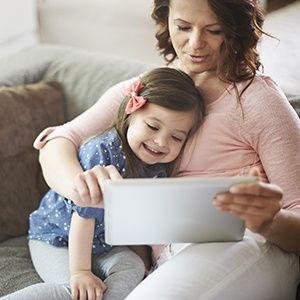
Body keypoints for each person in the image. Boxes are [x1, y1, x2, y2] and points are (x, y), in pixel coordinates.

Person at [3, 0, 300, 299]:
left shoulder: (258, 100)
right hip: (167, 255)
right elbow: (57, 142)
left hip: (248, 242)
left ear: (236, 29)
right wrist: (79, 187)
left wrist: (268, 220)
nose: (195, 44)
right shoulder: (151, 90)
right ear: (165, 18)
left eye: (214, 30)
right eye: (183, 27)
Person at [1, 67, 205, 300]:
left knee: (134, 268)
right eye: (153, 127)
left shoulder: (158, 167)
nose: (161, 142)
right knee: (72, 290)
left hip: (104, 243)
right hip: (58, 238)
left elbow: (137, 221)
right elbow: (84, 215)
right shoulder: (101, 151)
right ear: (130, 113)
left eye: (176, 137)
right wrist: (80, 272)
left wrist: (144, 260)